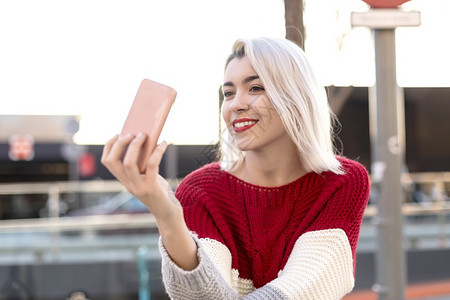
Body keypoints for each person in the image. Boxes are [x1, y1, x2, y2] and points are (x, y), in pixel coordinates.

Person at [101, 37, 371, 299]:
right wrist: (167, 213)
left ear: (297, 98)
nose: (235, 104)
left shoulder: (342, 182)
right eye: (228, 93)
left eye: (255, 88)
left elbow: (301, 290)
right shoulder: (200, 190)